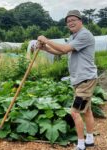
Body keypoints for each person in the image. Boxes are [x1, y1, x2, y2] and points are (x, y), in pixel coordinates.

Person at [37, 10, 98, 150]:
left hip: (86, 80)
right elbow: (60, 51)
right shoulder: (73, 37)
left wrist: (46, 40)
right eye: (68, 21)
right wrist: (45, 48)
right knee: (87, 110)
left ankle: (81, 144)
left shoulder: (84, 34)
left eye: (73, 20)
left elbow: (64, 49)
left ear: (80, 21)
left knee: (75, 112)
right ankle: (90, 139)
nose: (70, 22)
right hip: (80, 80)